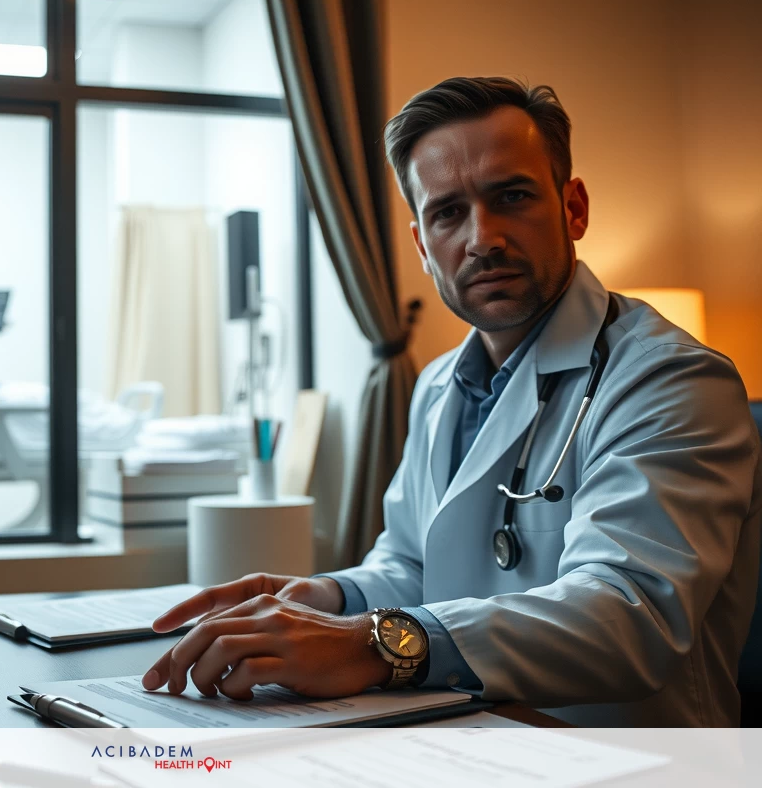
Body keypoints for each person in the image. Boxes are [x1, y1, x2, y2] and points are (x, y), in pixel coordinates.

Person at [141, 77, 762, 726]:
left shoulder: (671, 380)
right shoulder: (439, 385)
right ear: (420, 244)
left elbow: (627, 614)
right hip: (472, 737)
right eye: (448, 213)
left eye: (512, 197)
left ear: (573, 208)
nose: (481, 239)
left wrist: (373, 643)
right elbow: (413, 563)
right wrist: (328, 597)